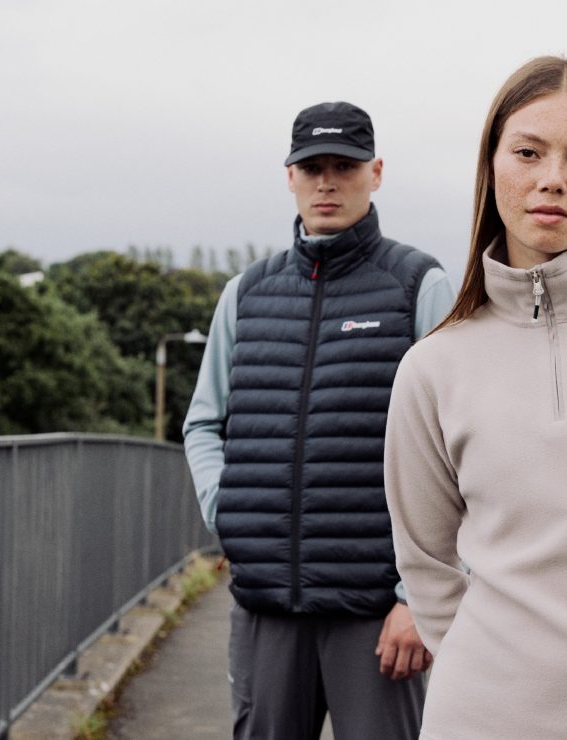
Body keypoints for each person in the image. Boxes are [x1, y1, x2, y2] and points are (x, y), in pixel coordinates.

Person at [384, 56, 567, 739]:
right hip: (480, 717)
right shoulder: (433, 366)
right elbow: (425, 561)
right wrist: (488, 674)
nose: (553, 179)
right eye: (528, 152)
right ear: (491, 167)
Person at [183, 101, 454, 740]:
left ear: (375, 173)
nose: (327, 182)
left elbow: (459, 450)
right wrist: (226, 509)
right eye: (311, 168)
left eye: (344, 166)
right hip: (268, 603)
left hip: (376, 611)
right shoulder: (246, 293)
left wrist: (417, 599)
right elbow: (203, 424)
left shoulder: (418, 285)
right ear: (291, 177)